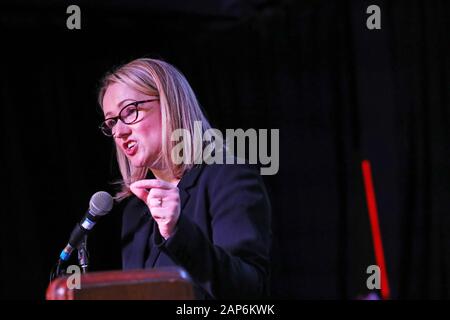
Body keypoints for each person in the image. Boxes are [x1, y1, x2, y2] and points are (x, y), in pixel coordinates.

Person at [97, 58, 271, 299]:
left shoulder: (228, 177)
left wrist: (178, 231)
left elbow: (248, 290)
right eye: (111, 122)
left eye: (130, 112)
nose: (119, 131)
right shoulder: (135, 210)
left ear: (171, 105)